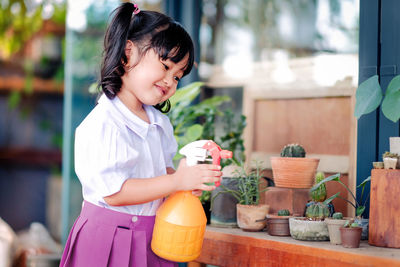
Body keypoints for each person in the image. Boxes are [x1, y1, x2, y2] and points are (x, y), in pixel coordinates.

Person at [59, 2, 222, 267]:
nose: (170, 81)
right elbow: (116, 192)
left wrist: (187, 178)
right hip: (107, 241)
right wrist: (176, 182)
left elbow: (158, 172)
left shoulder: (159, 122)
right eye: (166, 66)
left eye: (178, 75)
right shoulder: (104, 123)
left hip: (151, 238)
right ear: (127, 54)